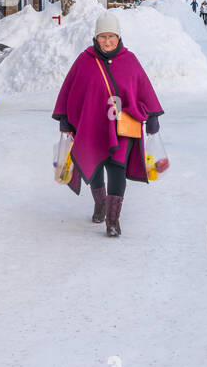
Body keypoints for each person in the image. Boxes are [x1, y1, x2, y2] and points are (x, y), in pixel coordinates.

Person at [53, 12, 163, 237]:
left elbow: (144, 88)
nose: (107, 41)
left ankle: (113, 220)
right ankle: (100, 204)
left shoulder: (129, 60)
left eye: (111, 36)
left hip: (122, 128)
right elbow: (69, 90)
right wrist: (65, 119)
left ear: (118, 36)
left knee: (117, 170)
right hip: (92, 126)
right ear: (96, 37)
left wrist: (152, 117)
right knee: (94, 168)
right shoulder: (85, 61)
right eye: (102, 36)